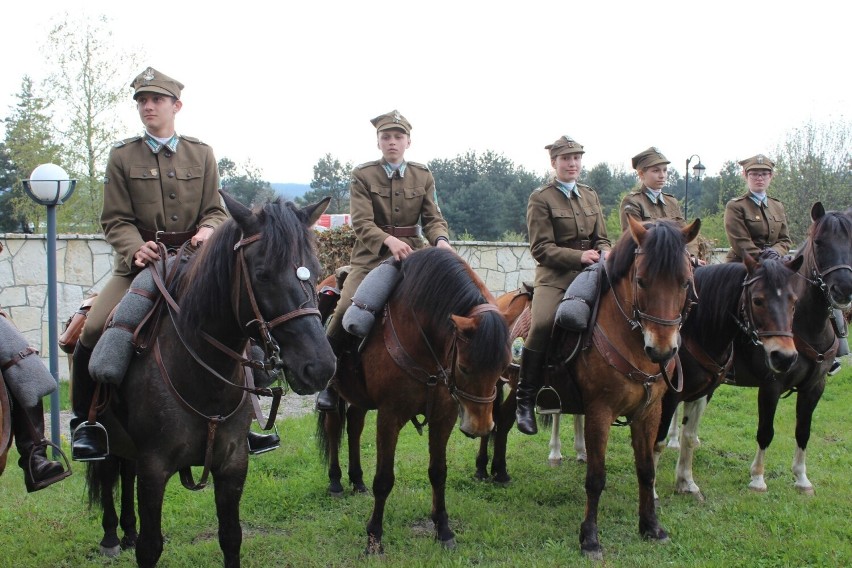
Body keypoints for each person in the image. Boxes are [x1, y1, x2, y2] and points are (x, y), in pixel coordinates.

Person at [70, 67, 278, 459]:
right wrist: (135, 248)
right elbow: (115, 219)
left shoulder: (201, 153)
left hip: (197, 264)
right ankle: (88, 422)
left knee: (242, 326)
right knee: (94, 328)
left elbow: (216, 210)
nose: (148, 106)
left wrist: (208, 231)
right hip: (141, 265)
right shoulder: (122, 156)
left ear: (176, 106)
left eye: (156, 100)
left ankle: (247, 421)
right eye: (142, 101)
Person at [315, 110, 453, 411]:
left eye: (398, 137)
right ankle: (329, 381)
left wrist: (441, 241)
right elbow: (362, 223)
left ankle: (448, 377)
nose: (392, 142)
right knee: (345, 308)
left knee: (449, 306)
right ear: (378, 142)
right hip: (370, 257)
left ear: (408, 141)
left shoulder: (423, 175)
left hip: (414, 257)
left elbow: (433, 219)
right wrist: (388, 241)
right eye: (386, 137)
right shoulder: (363, 175)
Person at [516, 136, 611, 435]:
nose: (572, 163)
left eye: (576, 158)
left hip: (594, 271)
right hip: (555, 277)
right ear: (554, 163)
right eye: (566, 159)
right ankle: (525, 398)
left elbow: (602, 237)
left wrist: (605, 252)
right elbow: (541, 248)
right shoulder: (541, 198)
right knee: (543, 323)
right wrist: (579, 255)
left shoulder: (590, 195)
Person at [621, 147, 704, 265]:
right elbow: (634, 239)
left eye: (665, 170)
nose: (662, 175)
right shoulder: (633, 201)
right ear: (641, 174)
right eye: (656, 171)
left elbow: (685, 233)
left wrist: (690, 257)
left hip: (677, 262)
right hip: (649, 264)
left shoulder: (671, 201)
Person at [723, 154, 791, 263]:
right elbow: (740, 242)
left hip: (774, 263)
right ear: (745, 175)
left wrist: (775, 253)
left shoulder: (777, 206)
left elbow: (785, 240)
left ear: (771, 176)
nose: (759, 178)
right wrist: (765, 257)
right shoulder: (736, 206)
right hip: (743, 265)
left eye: (764, 174)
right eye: (754, 174)